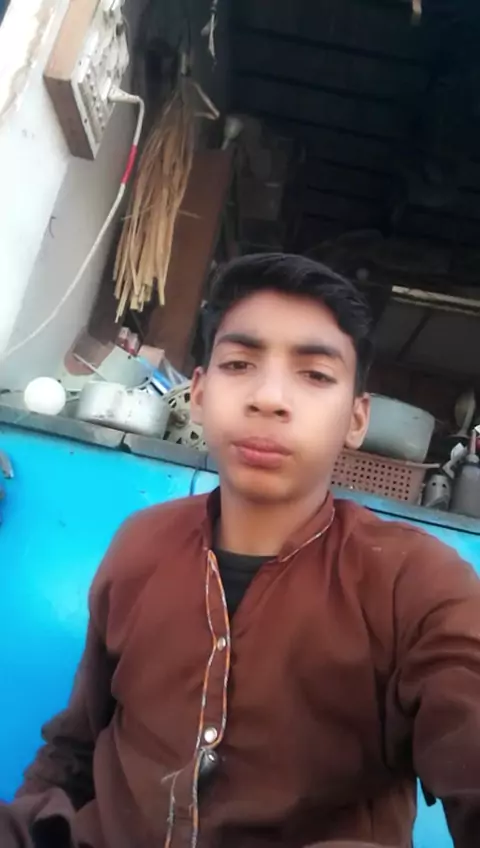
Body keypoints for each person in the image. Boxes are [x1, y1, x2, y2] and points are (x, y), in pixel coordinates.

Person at [2, 253, 480, 848]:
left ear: (357, 418)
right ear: (200, 394)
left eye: (315, 375)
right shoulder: (139, 546)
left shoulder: (416, 583)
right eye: (239, 364)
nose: (269, 398)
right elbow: (73, 750)